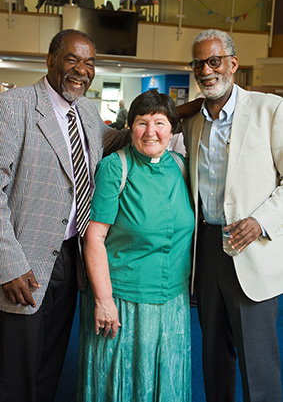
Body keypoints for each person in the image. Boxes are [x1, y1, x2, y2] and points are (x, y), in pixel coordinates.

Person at [0, 29, 130, 402]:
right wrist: (8, 264)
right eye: (73, 59)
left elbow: (112, 140)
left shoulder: (86, 111)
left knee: (50, 364)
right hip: (24, 263)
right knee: (16, 371)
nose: (82, 70)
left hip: (70, 257)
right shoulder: (15, 105)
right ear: (50, 60)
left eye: (89, 62)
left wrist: (169, 115)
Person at [179, 29, 283, 402]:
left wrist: (261, 221)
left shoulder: (270, 109)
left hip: (252, 248)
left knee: (258, 361)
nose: (206, 70)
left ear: (233, 64)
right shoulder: (191, 122)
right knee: (213, 356)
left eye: (214, 61)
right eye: (198, 64)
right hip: (206, 249)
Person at [77, 90, 195, 402]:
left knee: (165, 379)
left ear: (172, 128)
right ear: (129, 127)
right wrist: (103, 300)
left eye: (160, 122)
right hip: (123, 300)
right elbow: (94, 238)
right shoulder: (115, 167)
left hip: (173, 299)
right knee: (121, 384)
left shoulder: (182, 167)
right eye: (142, 123)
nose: (151, 131)